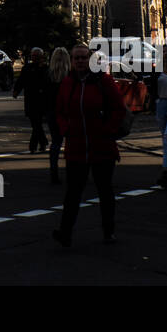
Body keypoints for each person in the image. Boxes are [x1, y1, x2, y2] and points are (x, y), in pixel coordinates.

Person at [52, 43, 126, 247]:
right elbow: (59, 111)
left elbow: (118, 109)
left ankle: (108, 230)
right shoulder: (68, 83)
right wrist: (65, 128)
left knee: (104, 191)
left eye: (83, 57)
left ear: (91, 59)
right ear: (72, 61)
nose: (80, 61)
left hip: (101, 146)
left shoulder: (104, 81)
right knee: (72, 193)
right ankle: (65, 232)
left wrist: (108, 130)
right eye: (76, 58)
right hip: (76, 147)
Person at [13, 47, 51, 154]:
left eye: (37, 56)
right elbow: (21, 80)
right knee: (35, 124)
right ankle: (42, 143)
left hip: (42, 100)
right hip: (30, 100)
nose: (34, 58)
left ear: (41, 57)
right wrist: (16, 91)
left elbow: (48, 84)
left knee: (37, 124)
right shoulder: (27, 68)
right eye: (33, 56)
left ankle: (34, 146)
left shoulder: (45, 68)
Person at [45, 47, 68, 183]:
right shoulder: (71, 74)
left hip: (52, 112)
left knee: (55, 142)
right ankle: (73, 170)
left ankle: (53, 170)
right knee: (72, 141)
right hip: (68, 112)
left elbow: (44, 95)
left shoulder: (48, 74)